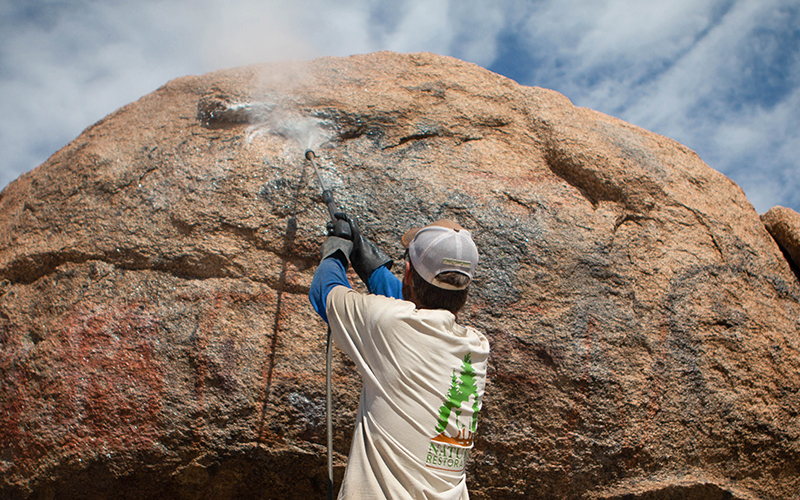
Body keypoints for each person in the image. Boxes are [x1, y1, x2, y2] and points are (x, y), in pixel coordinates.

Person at [309, 217, 490, 500]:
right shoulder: (476, 348)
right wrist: (369, 263)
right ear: (464, 290)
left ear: (407, 273)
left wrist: (336, 251)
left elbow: (324, 291)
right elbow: (406, 311)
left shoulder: (391, 324)